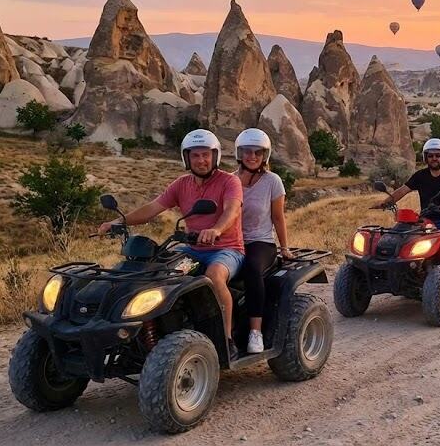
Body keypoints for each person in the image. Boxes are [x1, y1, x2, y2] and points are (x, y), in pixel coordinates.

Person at [97, 129, 244, 358]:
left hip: (226, 249)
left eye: (206, 155)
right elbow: (152, 209)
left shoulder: (229, 181)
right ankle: (158, 331)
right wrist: (119, 221)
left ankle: (226, 339)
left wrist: (216, 229)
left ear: (214, 156)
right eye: (195, 155)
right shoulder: (181, 184)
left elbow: (232, 211)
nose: (201, 160)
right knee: (158, 273)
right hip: (192, 249)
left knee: (215, 276)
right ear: (186, 158)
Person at [235, 128, 293, 354]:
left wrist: (284, 247)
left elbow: (278, 217)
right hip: (233, 241)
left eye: (257, 152)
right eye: (247, 152)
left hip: (261, 242)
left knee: (251, 268)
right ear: (239, 153)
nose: (252, 156)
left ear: (264, 156)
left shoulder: (273, 181)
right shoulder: (230, 180)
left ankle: (255, 332)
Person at [380, 139, 440, 258]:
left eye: (438, 155)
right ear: (425, 157)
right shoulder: (420, 175)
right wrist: (385, 203)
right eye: (430, 155)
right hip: (425, 219)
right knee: (402, 237)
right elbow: (403, 190)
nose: (434, 158)